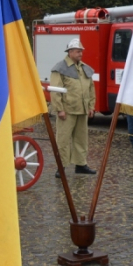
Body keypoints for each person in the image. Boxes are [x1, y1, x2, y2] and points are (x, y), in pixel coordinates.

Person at [50, 38, 97, 178]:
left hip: (82, 110)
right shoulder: (60, 68)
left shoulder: (84, 68)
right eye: (77, 51)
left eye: (81, 51)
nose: (80, 53)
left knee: (81, 139)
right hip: (67, 110)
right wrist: (59, 109)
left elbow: (90, 89)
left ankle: (80, 165)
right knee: (63, 140)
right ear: (70, 52)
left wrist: (91, 107)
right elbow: (55, 90)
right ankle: (61, 166)